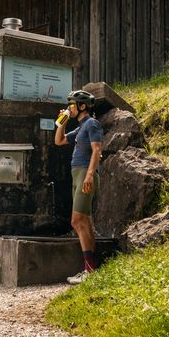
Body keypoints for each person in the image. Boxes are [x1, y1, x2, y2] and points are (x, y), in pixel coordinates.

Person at [55, 89, 103, 284]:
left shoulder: (92, 123)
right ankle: (91, 271)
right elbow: (59, 140)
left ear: (82, 106)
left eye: (72, 105)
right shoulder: (80, 128)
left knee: (76, 221)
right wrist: (62, 121)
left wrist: (90, 174)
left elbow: (97, 149)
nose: (69, 108)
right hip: (78, 175)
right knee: (85, 222)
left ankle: (89, 270)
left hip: (85, 173)